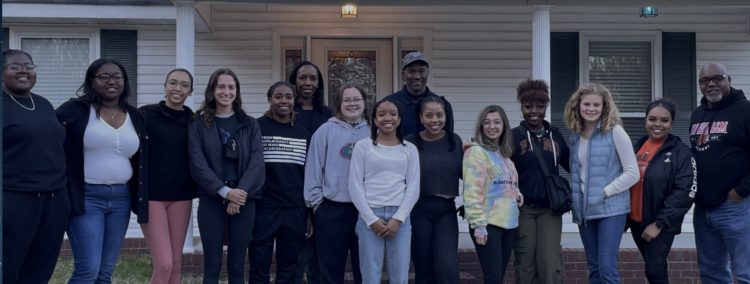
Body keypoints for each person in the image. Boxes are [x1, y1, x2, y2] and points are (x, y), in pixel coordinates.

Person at [56, 58, 149, 284]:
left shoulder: (135, 116)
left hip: (121, 199)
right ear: (92, 81)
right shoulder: (74, 110)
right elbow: (48, 140)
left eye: (117, 77)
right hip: (86, 198)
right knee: (87, 270)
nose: (112, 82)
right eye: (104, 76)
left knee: (105, 272)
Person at [188, 68, 265, 284]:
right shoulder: (199, 124)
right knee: (212, 266)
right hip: (212, 197)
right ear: (212, 90)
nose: (226, 91)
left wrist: (239, 194)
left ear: (237, 92)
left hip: (244, 198)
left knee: (237, 266)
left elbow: (257, 163)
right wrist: (225, 193)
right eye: (221, 86)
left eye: (231, 87)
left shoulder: (250, 124)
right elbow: (197, 164)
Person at [2, 49, 70, 284]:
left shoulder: (42, 104)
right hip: (14, 200)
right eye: (14, 66)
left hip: (54, 199)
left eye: (29, 66)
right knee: (8, 267)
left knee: (41, 267)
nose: (23, 71)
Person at [564, 83, 639, 284]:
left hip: (611, 210)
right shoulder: (575, 135)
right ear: (578, 106)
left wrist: (605, 192)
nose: (591, 109)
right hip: (585, 211)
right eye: (586, 104)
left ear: (605, 106)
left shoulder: (615, 132)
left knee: (607, 268)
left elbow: (633, 173)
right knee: (595, 268)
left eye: (596, 104)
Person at [690, 62, 750, 284]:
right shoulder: (698, 114)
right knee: (712, 274)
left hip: (735, 207)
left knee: (745, 273)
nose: (711, 84)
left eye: (717, 78)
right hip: (703, 209)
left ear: (729, 80)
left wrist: (742, 191)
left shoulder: (745, 110)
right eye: (705, 80)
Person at [348, 98, 420, 284]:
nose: (387, 118)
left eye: (393, 114)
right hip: (370, 217)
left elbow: (413, 187)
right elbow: (355, 185)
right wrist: (371, 219)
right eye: (381, 114)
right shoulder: (363, 146)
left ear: (399, 119)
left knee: (400, 277)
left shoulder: (409, 149)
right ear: (374, 120)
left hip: (400, 219)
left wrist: (398, 219)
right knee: (370, 277)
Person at [304, 83, 369, 284]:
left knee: (365, 271)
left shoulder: (373, 132)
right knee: (330, 272)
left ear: (364, 103)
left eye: (357, 99)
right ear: (339, 104)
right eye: (347, 100)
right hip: (331, 211)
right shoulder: (325, 131)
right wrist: (318, 206)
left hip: (366, 212)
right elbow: (313, 170)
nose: (352, 104)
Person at [626, 98, 695, 284]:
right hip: (635, 221)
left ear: (671, 124)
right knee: (656, 269)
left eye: (664, 120)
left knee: (654, 272)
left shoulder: (681, 153)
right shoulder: (639, 145)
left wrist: (658, 223)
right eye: (652, 119)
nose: (657, 124)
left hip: (660, 222)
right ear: (646, 121)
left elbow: (685, 192)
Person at [138, 68, 197, 284]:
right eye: (173, 83)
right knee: (164, 264)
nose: (177, 88)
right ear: (165, 86)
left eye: (183, 85)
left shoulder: (194, 121)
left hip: (181, 196)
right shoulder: (144, 115)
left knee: (175, 264)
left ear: (190, 91)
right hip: (153, 196)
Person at [250, 82, 311, 284]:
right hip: (264, 207)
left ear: (294, 100)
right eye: (278, 96)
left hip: (294, 209)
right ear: (270, 99)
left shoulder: (302, 133)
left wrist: (308, 213)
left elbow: (307, 175)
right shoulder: (256, 127)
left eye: (288, 97)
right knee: (259, 265)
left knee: (289, 269)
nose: (284, 101)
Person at [510, 79, 570, 284]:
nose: (534, 111)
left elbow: (574, 165)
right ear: (521, 107)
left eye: (540, 106)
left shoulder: (555, 135)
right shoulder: (512, 137)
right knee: (525, 265)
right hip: (522, 209)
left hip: (549, 209)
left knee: (550, 264)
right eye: (528, 107)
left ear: (546, 107)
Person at [404, 96, 462, 284]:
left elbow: (470, 174)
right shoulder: (409, 142)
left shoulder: (455, 141)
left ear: (446, 116)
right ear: (421, 118)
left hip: (445, 210)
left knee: (447, 268)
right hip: (417, 210)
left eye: (439, 115)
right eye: (429, 115)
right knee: (424, 270)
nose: (434, 120)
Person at [463, 105, 523, 284]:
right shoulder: (475, 152)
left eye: (497, 122)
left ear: (504, 125)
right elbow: (472, 191)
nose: (492, 126)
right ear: (481, 126)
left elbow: (505, 183)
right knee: (493, 278)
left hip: (508, 223)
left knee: (498, 277)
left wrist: (517, 192)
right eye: (487, 122)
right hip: (488, 225)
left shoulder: (504, 155)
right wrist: (478, 225)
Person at [288, 61, 329, 284]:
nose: (308, 83)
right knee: (297, 257)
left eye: (313, 78)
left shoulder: (329, 114)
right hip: (295, 190)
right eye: (302, 77)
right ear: (294, 81)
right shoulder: (286, 112)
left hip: (324, 193)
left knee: (320, 260)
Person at [384, 52, 454, 137]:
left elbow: (448, 140)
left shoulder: (442, 105)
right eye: (411, 71)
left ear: (427, 73)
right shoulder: (389, 104)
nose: (417, 76)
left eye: (421, 71)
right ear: (403, 74)